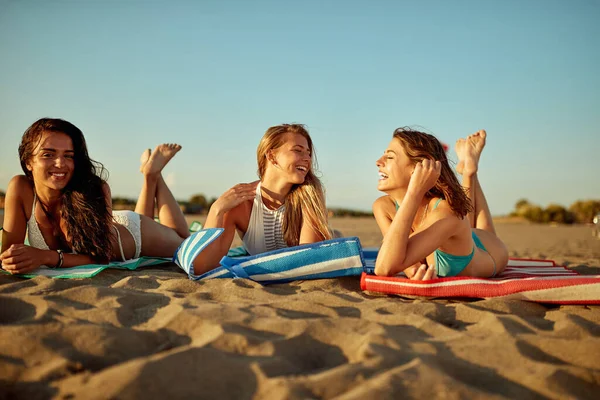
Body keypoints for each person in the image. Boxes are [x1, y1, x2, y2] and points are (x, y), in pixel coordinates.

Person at [0, 118, 190, 274]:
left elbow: (102, 257)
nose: (60, 163)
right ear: (28, 162)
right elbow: (8, 253)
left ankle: (153, 174)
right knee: (150, 220)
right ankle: (150, 175)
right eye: (48, 155)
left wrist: (46, 257)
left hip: (135, 236)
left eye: (68, 155)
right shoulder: (20, 188)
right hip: (108, 225)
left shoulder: (93, 188)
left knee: (183, 239)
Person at [190, 123, 332, 276]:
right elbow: (202, 268)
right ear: (271, 156)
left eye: (308, 153)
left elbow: (308, 263)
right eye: (298, 150)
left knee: (333, 235)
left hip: (326, 241)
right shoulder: (241, 202)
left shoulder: (309, 196)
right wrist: (216, 210)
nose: (307, 159)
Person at [372, 128, 508, 280]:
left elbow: (385, 267)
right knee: (464, 221)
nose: (378, 162)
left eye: (389, 157)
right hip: (459, 235)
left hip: (490, 251)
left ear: (419, 167)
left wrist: (414, 193)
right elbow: (409, 267)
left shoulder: (447, 213)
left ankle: (470, 173)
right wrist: (415, 272)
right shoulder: (383, 207)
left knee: (468, 221)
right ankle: (469, 172)